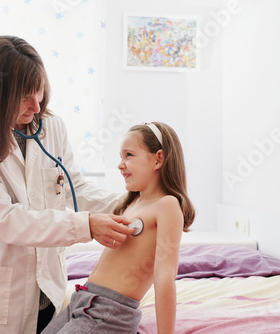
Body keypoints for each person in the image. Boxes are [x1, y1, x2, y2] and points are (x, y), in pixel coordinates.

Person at [0, 35, 133, 334]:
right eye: (23, 96)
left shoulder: (51, 126)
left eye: (39, 91)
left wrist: (134, 203)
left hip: (47, 292)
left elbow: (74, 188)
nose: (36, 104)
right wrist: (87, 226)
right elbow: (5, 221)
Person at [42, 122, 195, 334]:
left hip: (108, 312)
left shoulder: (167, 205)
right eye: (120, 157)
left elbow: (164, 278)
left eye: (129, 155)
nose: (120, 164)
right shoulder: (131, 204)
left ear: (158, 158)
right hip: (83, 301)